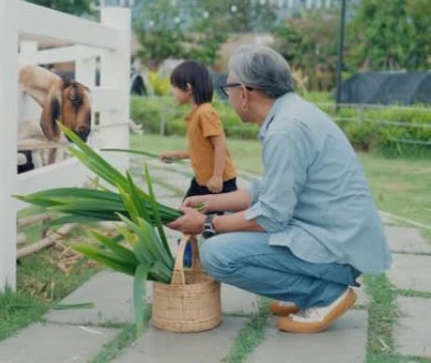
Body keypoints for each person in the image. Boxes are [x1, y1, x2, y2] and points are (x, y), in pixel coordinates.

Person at [166, 45, 391, 334]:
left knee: (217, 254)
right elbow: (266, 193)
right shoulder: (290, 116)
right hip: (337, 238)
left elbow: (271, 216)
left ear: (245, 92)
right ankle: (309, 289)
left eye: (228, 88)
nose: (228, 97)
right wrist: (208, 202)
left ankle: (324, 295)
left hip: (338, 248)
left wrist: (207, 224)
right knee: (228, 237)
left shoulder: (286, 129)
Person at [159, 61, 238, 203]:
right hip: (202, 181)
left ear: (188, 87)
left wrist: (217, 176)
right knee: (186, 214)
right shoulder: (196, 114)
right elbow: (200, 150)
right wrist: (175, 155)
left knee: (222, 221)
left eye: (174, 86)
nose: (172, 91)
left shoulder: (205, 113)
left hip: (220, 183)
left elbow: (220, 145)